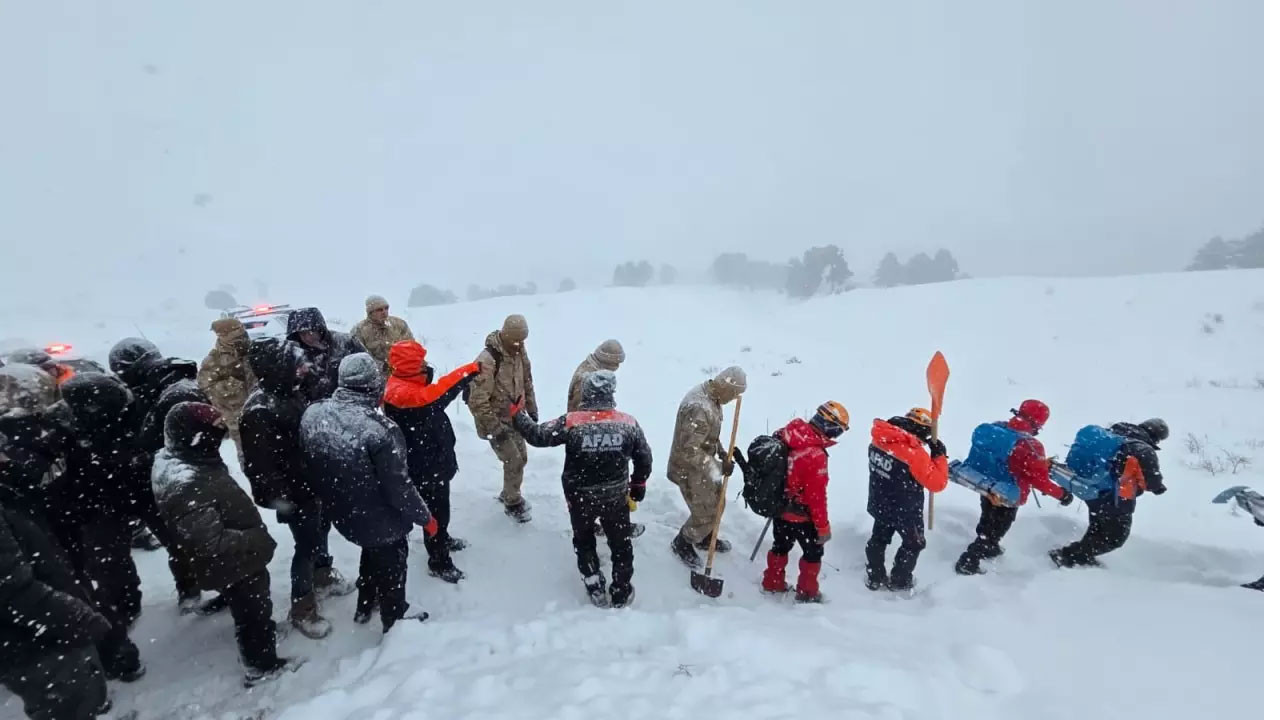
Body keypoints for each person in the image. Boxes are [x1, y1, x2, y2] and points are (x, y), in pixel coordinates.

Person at [151, 401, 294, 686]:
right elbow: (209, 541)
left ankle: (258, 634)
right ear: (195, 437)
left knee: (247, 603)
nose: (218, 439)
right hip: (235, 561)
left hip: (231, 561)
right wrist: (255, 539)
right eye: (212, 433)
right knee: (252, 612)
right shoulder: (187, 483)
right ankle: (261, 665)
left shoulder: (188, 460)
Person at [300, 353, 435, 633]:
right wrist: (425, 517)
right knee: (392, 563)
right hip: (380, 517)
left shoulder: (314, 412)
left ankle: (365, 604)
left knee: (372, 551)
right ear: (375, 386)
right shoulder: (380, 430)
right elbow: (399, 487)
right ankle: (395, 618)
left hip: (342, 510)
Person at [60, 372, 203, 619]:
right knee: (109, 561)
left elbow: (152, 442)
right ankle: (123, 605)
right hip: (99, 499)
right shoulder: (68, 428)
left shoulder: (132, 410)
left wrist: (140, 459)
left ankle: (189, 588)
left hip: (143, 488)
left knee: (179, 542)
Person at [240, 337, 354, 639]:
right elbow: (260, 467)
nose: (304, 368)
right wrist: (283, 500)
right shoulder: (259, 409)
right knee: (306, 545)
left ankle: (323, 574)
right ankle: (302, 605)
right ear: (278, 368)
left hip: (315, 483)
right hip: (294, 493)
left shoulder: (291, 391)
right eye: (297, 363)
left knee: (321, 532)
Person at [513, 370, 652, 607]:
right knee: (620, 544)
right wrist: (638, 484)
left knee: (584, 540)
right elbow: (644, 457)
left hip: (579, 497)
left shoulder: (572, 421)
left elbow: (538, 436)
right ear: (610, 393)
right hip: (615, 497)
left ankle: (594, 585)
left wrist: (518, 416)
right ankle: (621, 590)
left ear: (587, 393)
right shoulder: (627, 423)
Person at [0, 496, 114, 719]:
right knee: (67, 702)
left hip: (37, 632)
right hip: (32, 639)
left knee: (76, 698)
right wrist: (79, 618)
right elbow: (12, 590)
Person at [383, 340, 480, 583]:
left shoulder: (402, 385)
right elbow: (443, 391)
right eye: (421, 362)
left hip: (431, 461)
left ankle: (441, 539)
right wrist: (471, 370)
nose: (426, 364)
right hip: (425, 466)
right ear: (410, 366)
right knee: (435, 513)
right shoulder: (407, 394)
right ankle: (439, 561)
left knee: (438, 509)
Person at [954, 400, 1072, 576]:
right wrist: (1062, 495)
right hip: (1008, 492)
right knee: (998, 526)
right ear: (1038, 423)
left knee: (987, 517)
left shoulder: (995, 428)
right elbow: (1039, 480)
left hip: (985, 484)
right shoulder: (1030, 446)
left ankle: (989, 545)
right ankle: (970, 560)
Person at [1050, 419, 1169, 569]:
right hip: (1115, 498)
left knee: (1098, 527)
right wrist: (1158, 487)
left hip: (1093, 489)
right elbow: (1152, 481)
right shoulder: (1143, 449)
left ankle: (1081, 555)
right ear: (1157, 437)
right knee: (1115, 538)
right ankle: (1069, 556)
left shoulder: (1113, 434)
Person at [760, 402, 848, 603]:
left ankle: (772, 582)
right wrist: (823, 527)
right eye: (839, 431)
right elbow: (816, 498)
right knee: (813, 553)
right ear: (830, 427)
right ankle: (807, 592)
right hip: (802, 514)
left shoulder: (787, 434)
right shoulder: (815, 455)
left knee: (780, 546)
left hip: (780, 507)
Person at [667, 367, 747, 568]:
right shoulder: (700, 407)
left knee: (717, 501)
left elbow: (708, 435)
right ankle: (683, 542)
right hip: (688, 468)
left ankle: (705, 536)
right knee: (706, 511)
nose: (735, 398)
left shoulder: (713, 398)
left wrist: (720, 451)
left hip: (701, 464)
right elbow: (690, 451)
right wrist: (718, 468)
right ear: (726, 388)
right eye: (735, 393)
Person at [864, 408, 949, 591]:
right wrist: (940, 457)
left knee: (878, 538)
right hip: (905, 509)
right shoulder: (913, 453)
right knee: (914, 543)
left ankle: (875, 575)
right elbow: (937, 484)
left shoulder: (880, 438)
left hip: (880, 500)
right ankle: (900, 580)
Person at [466, 314, 539, 523]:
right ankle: (513, 502)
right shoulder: (487, 360)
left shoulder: (519, 350)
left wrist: (532, 410)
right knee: (513, 459)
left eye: (522, 340)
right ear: (505, 335)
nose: (519, 344)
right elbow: (477, 401)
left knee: (521, 458)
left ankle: (508, 491)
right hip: (493, 420)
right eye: (515, 340)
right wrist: (495, 429)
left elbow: (527, 381)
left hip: (515, 416)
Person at [197, 318, 256, 457]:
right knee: (249, 456)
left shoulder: (254, 350)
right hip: (237, 416)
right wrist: (232, 384)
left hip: (261, 410)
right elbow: (205, 386)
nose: (240, 335)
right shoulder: (214, 359)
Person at [286, 307, 367, 403]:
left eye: (311, 332)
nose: (307, 337)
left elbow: (368, 370)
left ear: (319, 329)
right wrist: (298, 377)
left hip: (349, 403)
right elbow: (290, 389)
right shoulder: (297, 354)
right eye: (302, 334)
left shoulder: (346, 343)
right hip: (315, 408)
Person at [352, 295, 414, 373]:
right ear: (370, 312)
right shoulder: (359, 330)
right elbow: (359, 358)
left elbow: (412, 348)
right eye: (379, 310)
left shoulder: (399, 324)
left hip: (402, 373)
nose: (384, 312)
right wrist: (383, 367)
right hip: (374, 376)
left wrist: (420, 365)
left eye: (386, 308)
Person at [567, 340, 625, 412]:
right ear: (608, 362)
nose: (617, 366)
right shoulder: (587, 378)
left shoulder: (593, 372)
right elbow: (578, 411)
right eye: (615, 363)